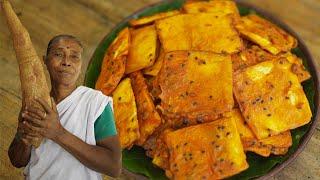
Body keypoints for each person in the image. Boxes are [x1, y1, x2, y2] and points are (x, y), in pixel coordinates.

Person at [7, 35, 122, 180]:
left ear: (81, 65)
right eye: (58, 54)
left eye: (74, 57)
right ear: (45, 61)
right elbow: (17, 161)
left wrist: (58, 133)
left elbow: (113, 166)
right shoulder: (36, 104)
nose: (66, 62)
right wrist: (24, 139)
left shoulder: (95, 102)